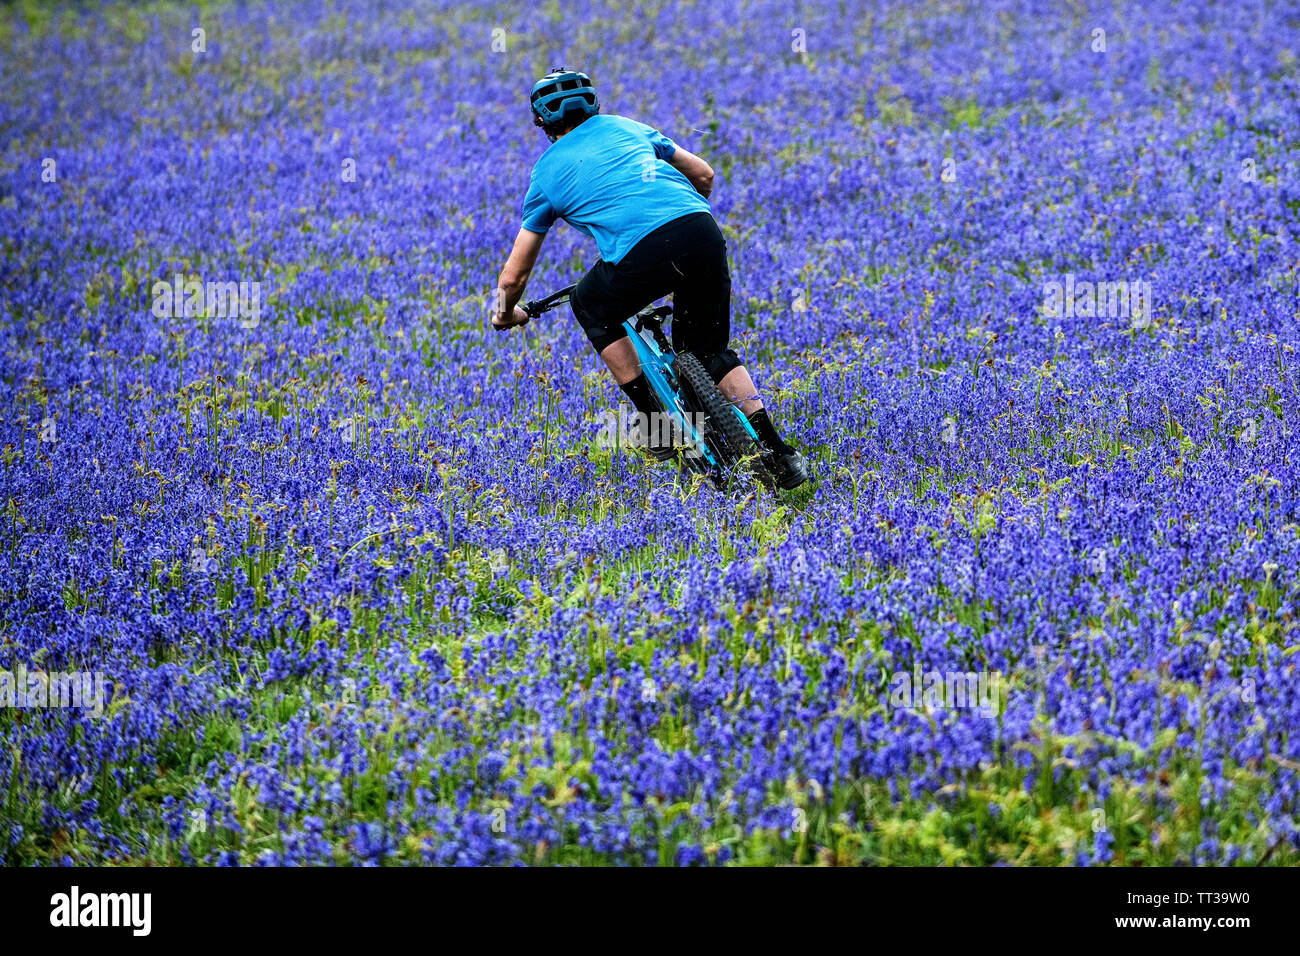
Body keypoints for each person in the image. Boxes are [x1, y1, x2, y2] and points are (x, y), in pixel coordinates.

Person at [492, 67, 809, 490]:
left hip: (641, 255)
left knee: (590, 303)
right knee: (710, 351)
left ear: (542, 122)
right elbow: (704, 175)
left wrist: (507, 312)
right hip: (699, 229)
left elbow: (515, 276)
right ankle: (778, 453)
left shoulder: (545, 174)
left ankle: (657, 422)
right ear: (593, 105)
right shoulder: (628, 128)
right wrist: (678, 221)